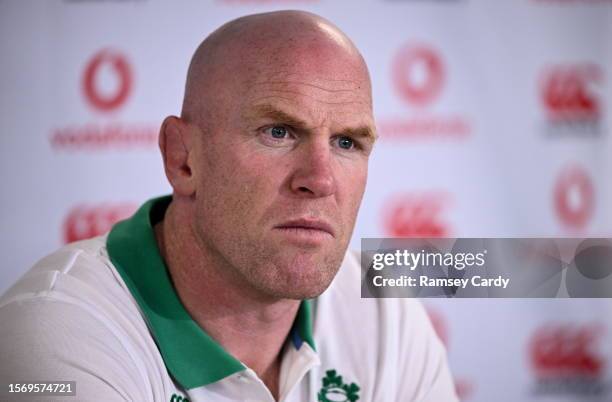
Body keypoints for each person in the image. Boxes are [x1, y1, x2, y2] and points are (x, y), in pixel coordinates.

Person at [0, 10, 458, 402]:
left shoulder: (385, 315)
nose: (320, 180)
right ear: (182, 159)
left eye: (346, 142)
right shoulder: (55, 335)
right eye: (278, 132)